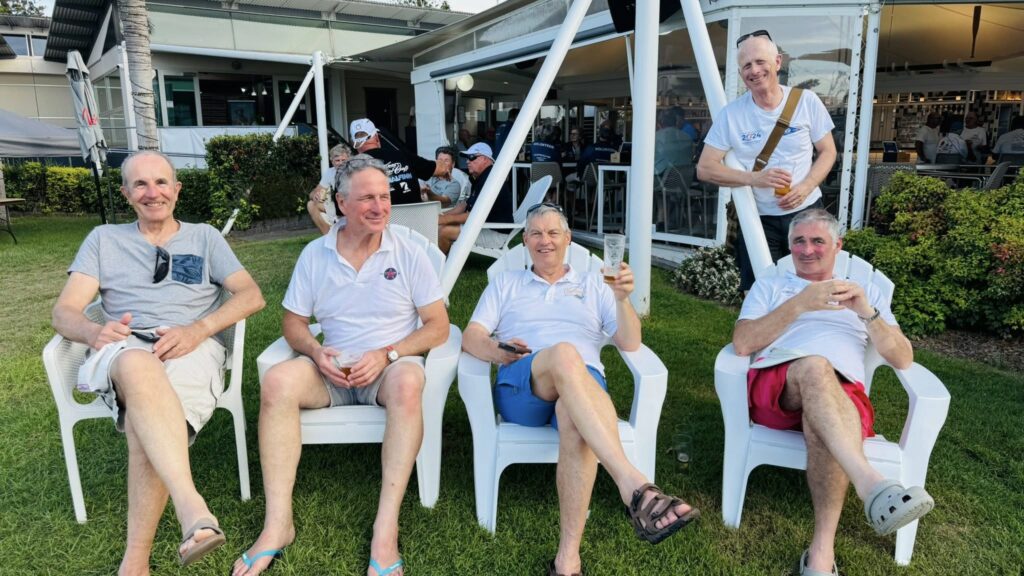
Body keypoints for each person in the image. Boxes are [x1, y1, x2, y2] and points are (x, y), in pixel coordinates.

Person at [233, 156, 449, 576]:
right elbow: (293, 323)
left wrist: (388, 354)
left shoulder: (408, 252)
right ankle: (278, 525)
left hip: (388, 369)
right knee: (277, 382)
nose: (379, 207)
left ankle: (385, 528)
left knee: (408, 381)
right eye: (367, 198)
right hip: (331, 369)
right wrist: (316, 353)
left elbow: (438, 326)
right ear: (341, 203)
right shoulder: (316, 255)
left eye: (384, 196)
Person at [52, 151, 266, 575]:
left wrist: (198, 330)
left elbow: (252, 295)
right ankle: (192, 508)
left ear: (177, 189)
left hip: (191, 347)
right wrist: (94, 333)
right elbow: (64, 312)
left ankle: (135, 563)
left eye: (162, 182)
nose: (153, 193)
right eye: (141, 184)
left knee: (144, 421)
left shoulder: (205, 237)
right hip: (125, 347)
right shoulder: (103, 239)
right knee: (136, 364)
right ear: (126, 194)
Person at [462, 204, 699, 576]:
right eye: (536, 233)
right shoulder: (506, 283)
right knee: (564, 353)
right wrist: (497, 350)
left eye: (553, 233)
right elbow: (471, 336)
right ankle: (632, 484)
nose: (545, 241)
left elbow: (630, 343)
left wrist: (622, 299)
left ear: (568, 239)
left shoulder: (595, 284)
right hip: (525, 383)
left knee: (573, 415)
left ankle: (567, 560)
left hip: (582, 387)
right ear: (525, 241)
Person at [732, 208, 934, 576]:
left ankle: (821, 555)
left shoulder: (865, 293)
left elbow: (903, 358)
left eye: (817, 241)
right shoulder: (772, 286)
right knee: (815, 365)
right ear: (790, 246)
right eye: (798, 241)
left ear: (837, 246)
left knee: (823, 421)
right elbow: (743, 343)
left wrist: (866, 311)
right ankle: (870, 484)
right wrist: (799, 303)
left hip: (843, 396)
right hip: (777, 385)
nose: (807, 250)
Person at [696, 30, 837, 293]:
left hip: (807, 214)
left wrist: (805, 187)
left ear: (777, 62)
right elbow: (705, 168)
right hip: (758, 220)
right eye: (747, 65)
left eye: (760, 61)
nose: (755, 70)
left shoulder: (806, 102)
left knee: (813, 288)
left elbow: (828, 151)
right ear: (741, 73)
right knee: (760, 292)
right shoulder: (732, 115)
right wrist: (754, 178)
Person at [437, 142, 515, 254]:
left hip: (495, 233)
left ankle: (439, 264)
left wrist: (443, 219)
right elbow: (465, 205)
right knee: (442, 225)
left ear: (485, 159)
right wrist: (442, 215)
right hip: (484, 227)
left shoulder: (491, 179)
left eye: (472, 157)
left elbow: (473, 216)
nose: (467, 161)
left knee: (444, 231)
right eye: (467, 158)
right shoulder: (484, 176)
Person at [350, 118, 443, 205]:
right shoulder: (402, 155)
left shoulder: (350, 168)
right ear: (377, 137)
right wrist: (444, 167)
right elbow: (438, 169)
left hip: (380, 216)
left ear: (354, 143)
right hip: (415, 215)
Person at [306, 143, 352, 235]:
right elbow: (315, 192)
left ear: (348, 160)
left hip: (352, 205)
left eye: (343, 160)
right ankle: (328, 236)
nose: (340, 163)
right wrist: (315, 195)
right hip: (336, 207)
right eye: (337, 160)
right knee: (311, 204)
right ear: (332, 161)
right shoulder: (330, 172)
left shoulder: (353, 171)